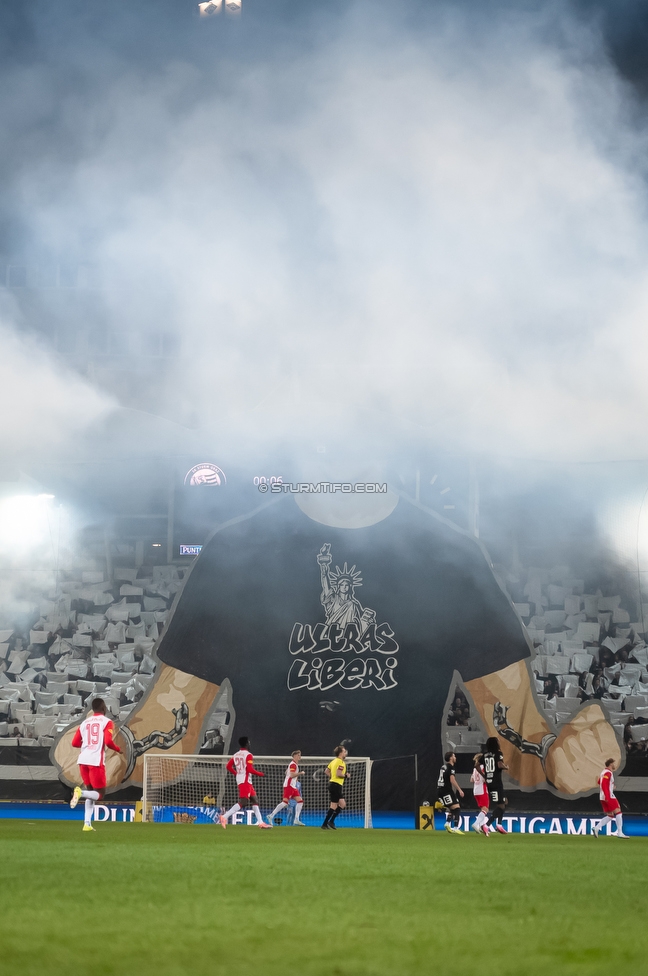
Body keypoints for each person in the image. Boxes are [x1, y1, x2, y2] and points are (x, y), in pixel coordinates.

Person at [69, 698, 121, 832]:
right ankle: (79, 793)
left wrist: (87, 744)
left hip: (82, 761)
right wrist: (118, 749)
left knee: (91, 793)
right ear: (104, 708)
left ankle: (87, 824)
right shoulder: (107, 722)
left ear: (93, 709)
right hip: (95, 761)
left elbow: (74, 743)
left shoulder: (84, 722)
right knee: (100, 794)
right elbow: (108, 741)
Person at [220, 736, 271, 828]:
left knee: (255, 800)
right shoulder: (248, 755)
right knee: (243, 802)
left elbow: (228, 766)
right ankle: (224, 817)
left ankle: (261, 823)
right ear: (247, 743)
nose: (249, 744)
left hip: (243, 780)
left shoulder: (236, 754)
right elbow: (250, 769)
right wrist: (261, 774)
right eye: (249, 742)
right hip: (245, 781)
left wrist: (236, 773)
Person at [268, 750, 306, 826]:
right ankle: (271, 815)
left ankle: (296, 819)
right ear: (294, 756)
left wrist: (291, 774)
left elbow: (287, 772)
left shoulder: (293, 764)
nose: (300, 757)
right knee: (285, 802)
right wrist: (300, 773)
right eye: (298, 755)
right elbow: (291, 775)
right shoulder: (293, 764)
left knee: (300, 801)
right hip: (289, 786)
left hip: (292, 786)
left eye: (300, 755)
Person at [594, 758, 628, 838]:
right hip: (609, 796)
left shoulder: (603, 772)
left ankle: (596, 828)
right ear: (611, 764)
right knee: (618, 812)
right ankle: (620, 832)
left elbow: (599, 782)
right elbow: (603, 784)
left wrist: (611, 786)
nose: (614, 765)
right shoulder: (608, 773)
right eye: (613, 763)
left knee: (610, 815)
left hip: (602, 796)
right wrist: (607, 795)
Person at [483, 736, 508, 834]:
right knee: (501, 806)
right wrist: (506, 767)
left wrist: (484, 775)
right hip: (496, 782)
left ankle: (499, 825)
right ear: (495, 743)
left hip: (489, 782)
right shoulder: (498, 753)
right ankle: (487, 825)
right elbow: (499, 765)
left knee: (503, 802)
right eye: (498, 741)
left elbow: (476, 765)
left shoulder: (485, 755)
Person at [322, 745, 349, 830]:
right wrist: (346, 776)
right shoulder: (341, 762)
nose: (345, 753)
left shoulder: (333, 761)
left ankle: (327, 823)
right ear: (340, 753)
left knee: (337, 805)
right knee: (338, 805)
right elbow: (338, 773)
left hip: (332, 784)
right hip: (336, 785)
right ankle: (329, 822)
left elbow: (326, 771)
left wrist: (332, 777)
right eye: (344, 751)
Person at [437, 750, 464, 833]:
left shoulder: (443, 766)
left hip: (440, 789)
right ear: (451, 758)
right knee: (457, 808)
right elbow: (452, 780)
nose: (455, 758)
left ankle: (447, 823)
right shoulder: (451, 767)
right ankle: (456, 828)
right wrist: (459, 790)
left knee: (452, 808)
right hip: (446, 790)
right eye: (454, 756)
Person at [470, 753, 490, 835]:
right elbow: (485, 779)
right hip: (482, 790)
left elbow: (471, 780)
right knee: (486, 809)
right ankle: (476, 824)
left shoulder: (475, 769)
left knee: (482, 809)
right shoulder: (483, 767)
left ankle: (481, 826)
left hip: (475, 790)